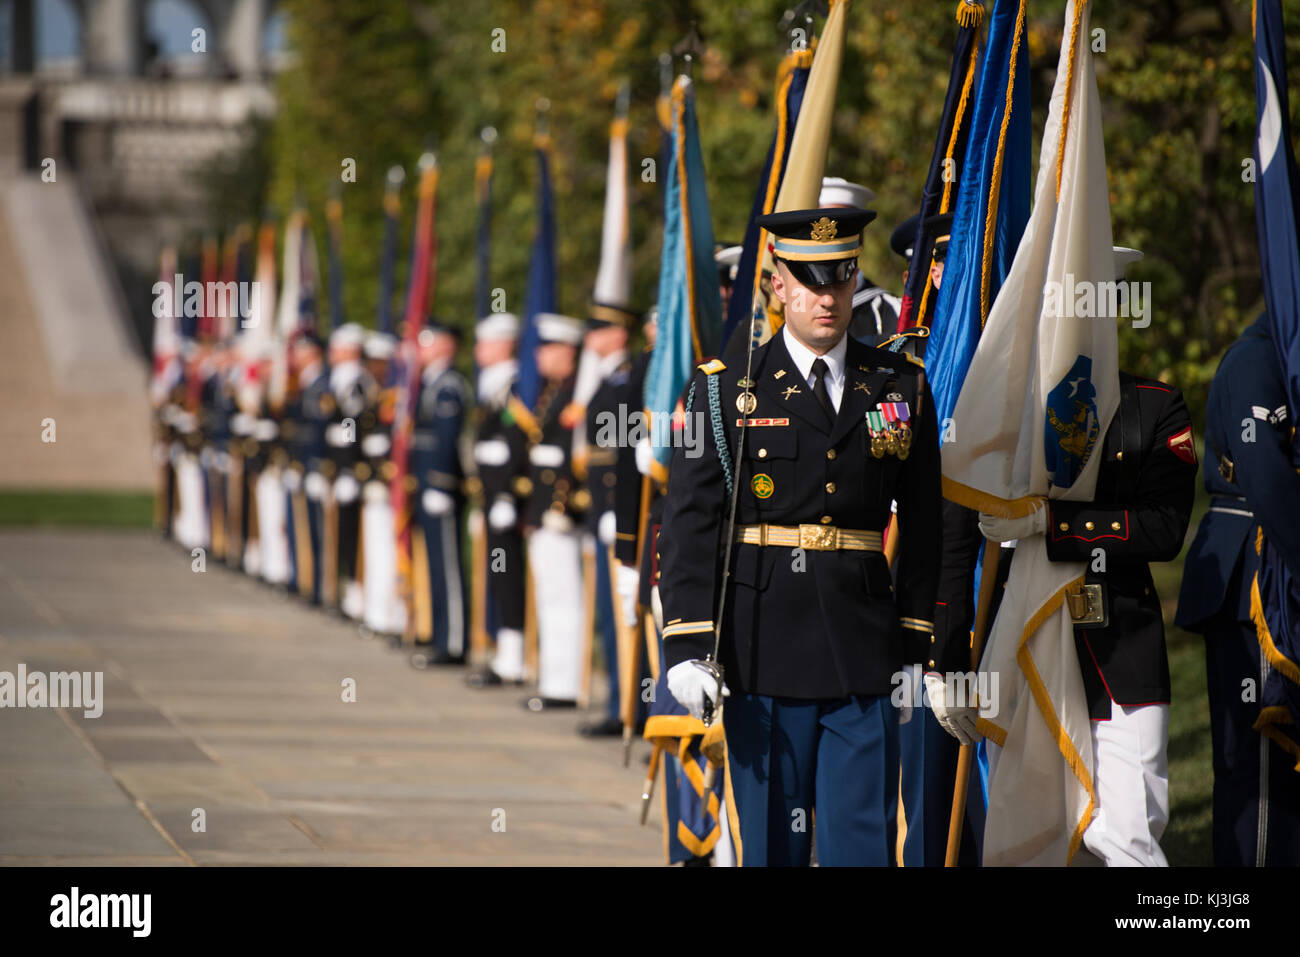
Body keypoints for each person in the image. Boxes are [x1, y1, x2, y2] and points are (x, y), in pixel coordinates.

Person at [658, 206, 944, 866]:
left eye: (840, 279)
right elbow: (692, 523)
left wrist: (916, 646)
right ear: (776, 284)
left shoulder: (899, 384)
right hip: (763, 648)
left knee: (861, 847)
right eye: (809, 280)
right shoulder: (726, 389)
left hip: (863, 648)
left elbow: (925, 523)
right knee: (771, 848)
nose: (826, 296)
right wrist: (688, 645)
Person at [1176, 311, 1300, 866]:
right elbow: (1265, 473)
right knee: (1262, 766)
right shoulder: (1258, 359)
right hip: (1258, 575)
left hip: (1272, 561)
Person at [520, 313, 588, 711]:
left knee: (564, 599)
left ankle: (565, 684)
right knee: (550, 597)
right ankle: (553, 678)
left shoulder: (575, 393)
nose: (540, 355)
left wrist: (563, 504)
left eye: (548, 348)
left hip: (561, 515)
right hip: (543, 512)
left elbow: (574, 457)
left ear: (566, 351)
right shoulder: (554, 392)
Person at [576, 300, 637, 736]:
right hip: (603, 512)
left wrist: (614, 507)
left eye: (598, 330)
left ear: (618, 334)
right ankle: (618, 701)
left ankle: (626, 707)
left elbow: (623, 451)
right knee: (610, 614)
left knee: (622, 615)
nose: (590, 339)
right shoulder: (607, 379)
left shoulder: (624, 379)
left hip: (619, 513)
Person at [465, 312, 530, 688]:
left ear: (505, 344)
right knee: (498, 573)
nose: (479, 351)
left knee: (508, 575)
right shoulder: (494, 384)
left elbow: (518, 441)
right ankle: (503, 649)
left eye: (486, 343)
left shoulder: (515, 385)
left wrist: (505, 493)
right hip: (492, 498)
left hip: (512, 500)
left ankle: (514, 657)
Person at [409, 321, 471, 668]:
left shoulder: (448, 386)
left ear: (447, 345)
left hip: (441, 487)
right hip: (427, 485)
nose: (421, 348)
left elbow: (448, 439)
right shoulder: (430, 383)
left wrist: (442, 483)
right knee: (435, 564)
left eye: (428, 341)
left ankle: (454, 641)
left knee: (447, 566)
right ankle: (439, 634)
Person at [820, 177, 901, 341]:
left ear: (860, 238)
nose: (829, 240)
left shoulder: (891, 311)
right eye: (819, 229)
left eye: (843, 231)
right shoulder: (786, 308)